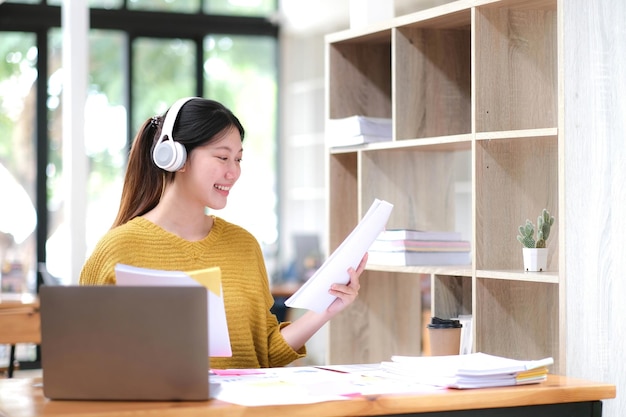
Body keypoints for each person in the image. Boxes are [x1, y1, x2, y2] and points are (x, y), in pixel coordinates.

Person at [79, 97, 366, 369]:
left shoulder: (244, 245)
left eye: (238, 159)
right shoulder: (118, 248)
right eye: (222, 157)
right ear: (175, 157)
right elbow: (85, 357)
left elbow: (264, 353)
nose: (234, 172)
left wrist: (326, 309)